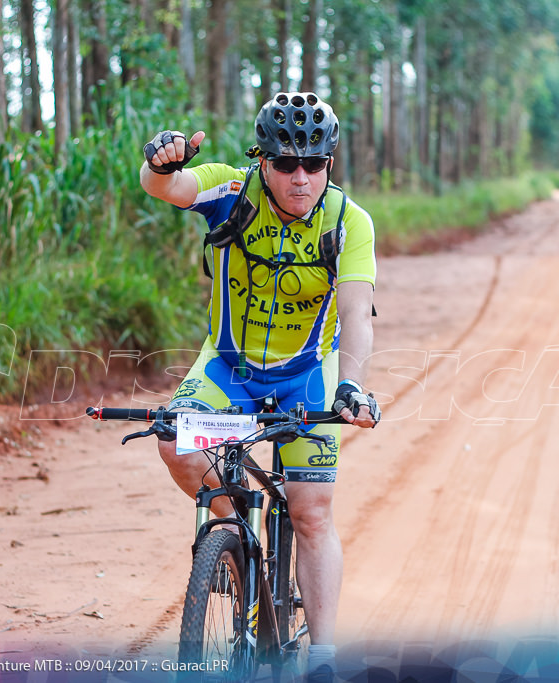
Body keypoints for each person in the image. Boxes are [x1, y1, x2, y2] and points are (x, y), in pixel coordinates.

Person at [139, 91, 380, 682]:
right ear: (262, 160)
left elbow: (355, 313)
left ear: (329, 162)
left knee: (312, 515)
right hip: (227, 365)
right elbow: (167, 187)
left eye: (315, 164)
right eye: (285, 164)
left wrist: (350, 387)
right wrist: (160, 163)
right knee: (174, 441)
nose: (300, 178)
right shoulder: (232, 191)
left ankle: (321, 659)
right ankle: (241, 535)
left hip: (306, 373)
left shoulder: (349, 223)